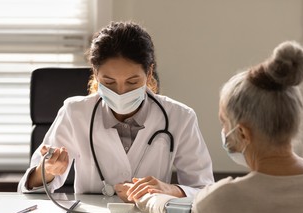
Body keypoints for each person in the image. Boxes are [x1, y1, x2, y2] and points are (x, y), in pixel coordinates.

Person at [134, 41, 303, 213]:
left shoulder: (228, 198)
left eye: (224, 123)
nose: (223, 130)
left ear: (243, 134)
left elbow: (172, 210)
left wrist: (145, 196)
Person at [18, 21, 214, 201]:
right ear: (95, 74)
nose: (120, 92)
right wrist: (48, 171)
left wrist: (170, 190)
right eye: (109, 82)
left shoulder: (180, 117)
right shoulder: (75, 112)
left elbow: (204, 190)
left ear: (149, 73)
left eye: (132, 82)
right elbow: (28, 190)